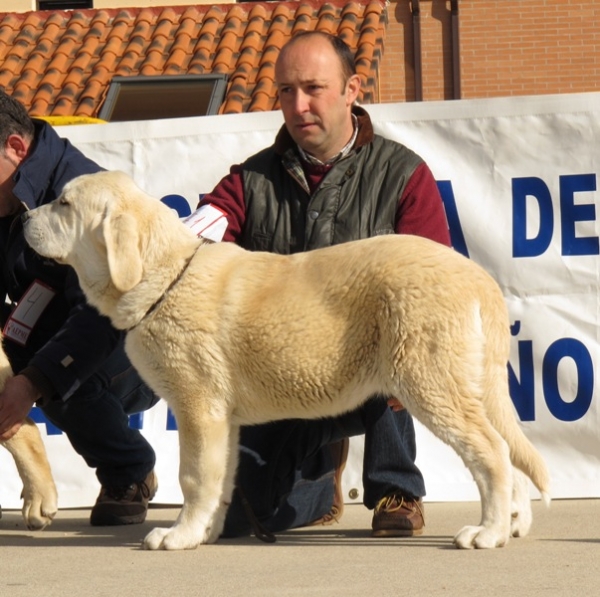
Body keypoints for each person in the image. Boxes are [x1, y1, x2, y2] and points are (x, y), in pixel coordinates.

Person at [190, 31, 451, 539]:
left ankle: (396, 488)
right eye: (286, 90)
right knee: (238, 518)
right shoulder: (246, 182)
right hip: (278, 378)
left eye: (313, 88)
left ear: (352, 89)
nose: (298, 104)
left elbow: (433, 289)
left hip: (371, 370)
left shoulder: (404, 175)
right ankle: (317, 487)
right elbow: (191, 246)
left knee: (394, 341)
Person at [0, 89, 159, 526]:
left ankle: (130, 472)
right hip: (53, 333)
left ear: (16, 148)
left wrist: (32, 381)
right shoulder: (6, 192)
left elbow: (101, 317)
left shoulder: (87, 192)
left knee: (57, 373)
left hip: (133, 345)